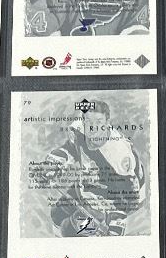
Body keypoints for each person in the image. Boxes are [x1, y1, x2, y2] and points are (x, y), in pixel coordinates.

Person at [41, 99, 146, 236]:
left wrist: (116, 224)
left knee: (71, 230)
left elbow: (129, 195)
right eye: (89, 121)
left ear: (107, 123)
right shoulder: (79, 129)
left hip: (113, 199)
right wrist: (54, 164)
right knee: (57, 214)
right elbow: (70, 148)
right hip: (89, 184)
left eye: (99, 122)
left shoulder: (118, 154)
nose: (93, 127)